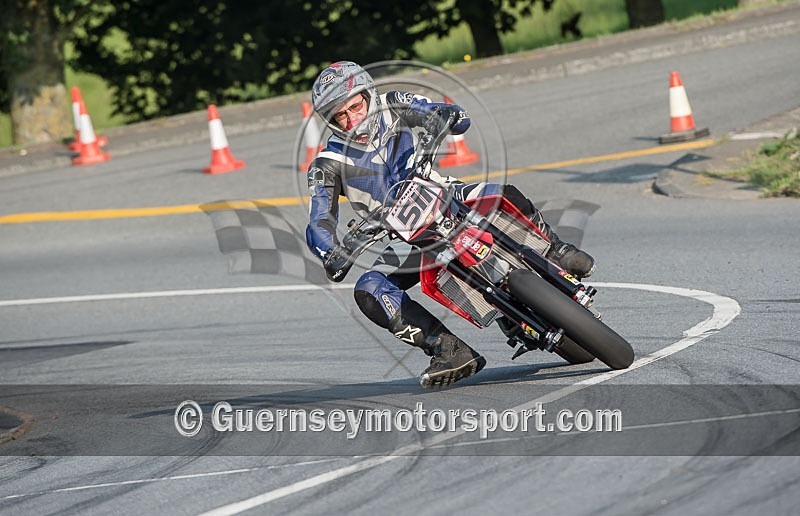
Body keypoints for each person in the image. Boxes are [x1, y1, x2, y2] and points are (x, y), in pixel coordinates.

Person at [305, 61, 594, 388]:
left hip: (445, 194)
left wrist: (445, 117)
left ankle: (556, 251)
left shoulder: (394, 104)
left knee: (501, 193)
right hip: (401, 237)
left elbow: (443, 113)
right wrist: (329, 251)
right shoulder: (327, 163)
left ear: (368, 94)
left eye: (355, 107)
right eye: (338, 117)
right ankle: (448, 349)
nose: (351, 120)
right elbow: (319, 219)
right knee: (369, 288)